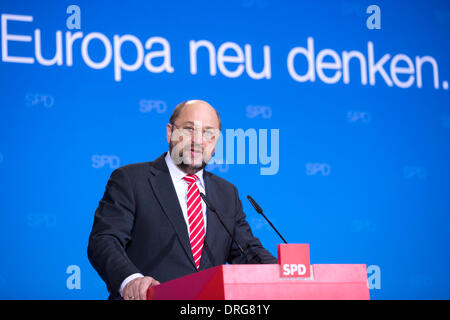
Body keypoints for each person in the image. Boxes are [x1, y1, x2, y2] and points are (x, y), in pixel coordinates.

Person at [87, 100, 277, 300]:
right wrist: (131, 280)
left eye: (208, 133)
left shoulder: (226, 193)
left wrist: (286, 274)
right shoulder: (131, 180)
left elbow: (247, 251)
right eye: (189, 129)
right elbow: (104, 240)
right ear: (170, 132)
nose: (198, 140)